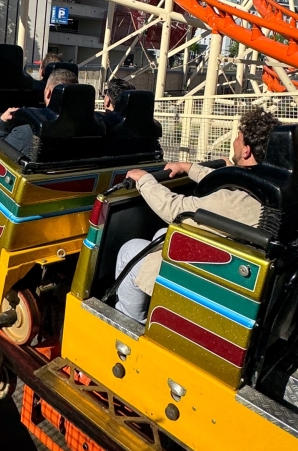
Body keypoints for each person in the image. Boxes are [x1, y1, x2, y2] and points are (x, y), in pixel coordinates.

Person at [115, 107, 280, 323]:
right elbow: (231, 180)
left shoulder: (233, 201)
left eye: (238, 138)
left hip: (214, 280)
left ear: (246, 151)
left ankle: (127, 319)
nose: (234, 143)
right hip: (234, 267)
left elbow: (176, 209)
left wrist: (144, 180)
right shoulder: (270, 184)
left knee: (130, 251)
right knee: (161, 235)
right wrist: (189, 167)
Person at [0, 68, 79, 194]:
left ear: (48, 93)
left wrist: (2, 125)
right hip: (68, 189)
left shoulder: (28, 132)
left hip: (29, 191)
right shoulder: (94, 130)